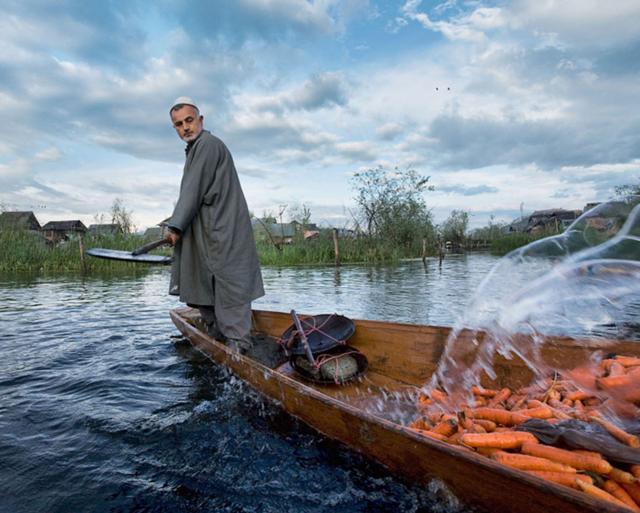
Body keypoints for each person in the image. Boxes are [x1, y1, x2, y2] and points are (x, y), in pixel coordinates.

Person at [165, 96, 264, 354]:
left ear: (201, 120)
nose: (185, 127)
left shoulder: (207, 144)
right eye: (178, 124)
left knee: (229, 283)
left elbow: (192, 191)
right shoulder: (196, 149)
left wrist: (175, 227)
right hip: (207, 230)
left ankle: (238, 348)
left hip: (223, 229)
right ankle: (219, 339)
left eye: (189, 120)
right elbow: (192, 192)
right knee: (201, 282)